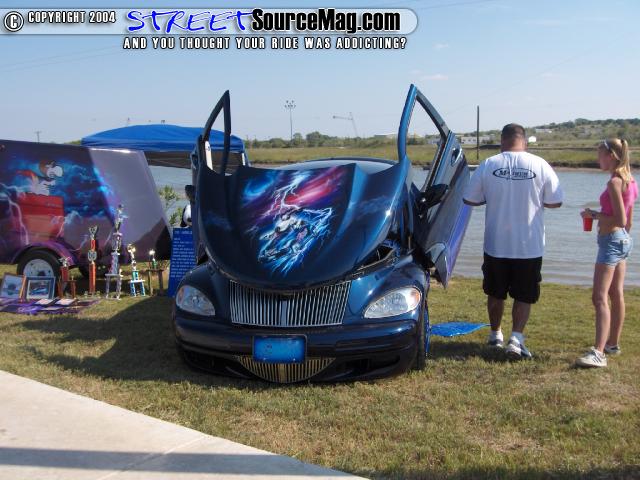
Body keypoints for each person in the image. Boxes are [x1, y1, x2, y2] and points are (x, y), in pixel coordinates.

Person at [463, 123, 564, 359]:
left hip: (496, 244)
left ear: (502, 140)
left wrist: (494, 196)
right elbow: (555, 201)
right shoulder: (540, 164)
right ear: (524, 141)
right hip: (528, 245)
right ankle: (516, 339)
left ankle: (495, 334)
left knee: (495, 292)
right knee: (524, 295)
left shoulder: (489, 164)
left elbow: (469, 199)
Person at [576, 138, 637, 368]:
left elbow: (619, 219)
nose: (597, 159)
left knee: (599, 297)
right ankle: (612, 344)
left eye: (599, 154)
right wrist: (622, 237)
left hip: (611, 241)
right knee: (616, 294)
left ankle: (599, 353)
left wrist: (593, 215)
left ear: (611, 156)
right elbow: (628, 221)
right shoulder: (630, 180)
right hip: (622, 240)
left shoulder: (614, 182)